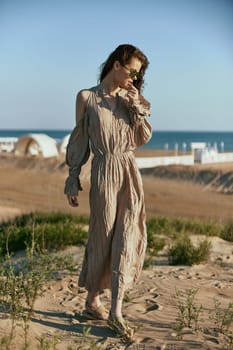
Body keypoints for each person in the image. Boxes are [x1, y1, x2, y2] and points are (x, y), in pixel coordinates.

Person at [64, 44, 152, 341]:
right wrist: (73, 176)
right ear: (117, 65)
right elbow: (80, 139)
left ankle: (115, 310)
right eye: (133, 71)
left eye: (139, 75)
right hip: (103, 172)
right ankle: (92, 300)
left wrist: (135, 102)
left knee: (127, 234)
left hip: (128, 170)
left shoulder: (130, 100)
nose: (135, 78)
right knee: (102, 234)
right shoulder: (86, 97)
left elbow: (141, 138)